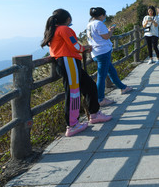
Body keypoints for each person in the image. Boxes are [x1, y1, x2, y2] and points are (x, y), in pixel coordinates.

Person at [41, 9, 111, 137]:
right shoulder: (64, 29)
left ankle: (94, 114)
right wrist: (85, 48)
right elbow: (76, 46)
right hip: (68, 62)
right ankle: (72, 125)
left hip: (67, 62)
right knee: (73, 93)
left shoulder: (54, 30)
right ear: (68, 19)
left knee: (89, 85)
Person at [87, 7, 133, 107]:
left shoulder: (89, 24)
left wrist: (107, 32)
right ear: (100, 15)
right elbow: (106, 36)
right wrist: (111, 31)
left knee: (111, 71)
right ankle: (100, 99)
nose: (105, 17)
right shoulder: (99, 23)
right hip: (103, 52)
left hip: (96, 52)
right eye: (104, 15)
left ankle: (123, 87)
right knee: (101, 76)